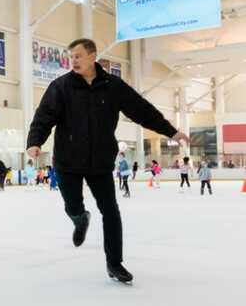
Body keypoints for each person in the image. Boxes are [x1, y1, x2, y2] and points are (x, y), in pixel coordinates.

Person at [26, 38, 189, 284]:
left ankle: (115, 263)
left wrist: (171, 131)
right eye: (72, 57)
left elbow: (141, 110)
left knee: (111, 211)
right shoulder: (61, 87)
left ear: (93, 56)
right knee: (72, 206)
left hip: (100, 161)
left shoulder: (112, 86)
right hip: (68, 161)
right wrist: (34, 141)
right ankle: (80, 219)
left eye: (78, 56)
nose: (74, 61)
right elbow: (44, 116)